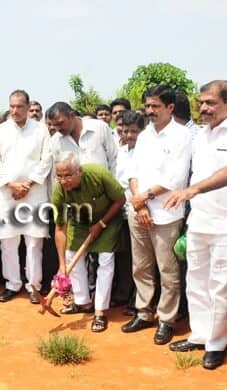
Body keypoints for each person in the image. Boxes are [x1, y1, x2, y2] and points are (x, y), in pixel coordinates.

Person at [164, 80, 227, 370]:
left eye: (210, 103)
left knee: (222, 286)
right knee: (196, 282)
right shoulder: (201, 135)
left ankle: (216, 345)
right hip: (200, 221)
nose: (202, 108)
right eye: (201, 102)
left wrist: (194, 191)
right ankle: (201, 334)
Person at [122, 85, 191, 346]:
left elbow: (175, 177)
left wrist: (145, 197)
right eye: (148, 106)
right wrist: (139, 204)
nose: (149, 111)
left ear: (170, 108)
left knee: (168, 269)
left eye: (155, 107)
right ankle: (143, 312)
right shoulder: (145, 135)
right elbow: (133, 171)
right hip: (139, 211)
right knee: (140, 266)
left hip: (166, 213)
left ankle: (166, 320)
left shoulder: (182, 136)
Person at [0, 89, 52, 304]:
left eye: (19, 106)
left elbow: (47, 160)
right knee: (8, 242)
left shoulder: (41, 130)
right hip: (7, 194)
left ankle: (34, 286)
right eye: (12, 106)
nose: (15, 110)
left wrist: (27, 184)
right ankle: (12, 284)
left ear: (27, 107)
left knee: (34, 243)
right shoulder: (0, 131)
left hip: (34, 193)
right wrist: (11, 184)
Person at [52, 152, 125, 332]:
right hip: (81, 220)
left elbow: (120, 199)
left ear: (80, 171)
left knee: (105, 259)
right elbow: (60, 228)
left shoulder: (98, 174)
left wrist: (101, 224)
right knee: (71, 257)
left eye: (68, 175)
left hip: (108, 218)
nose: (63, 181)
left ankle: (100, 310)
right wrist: (62, 265)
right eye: (59, 176)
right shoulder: (59, 191)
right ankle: (82, 302)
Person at [112, 111, 145, 315]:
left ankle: (138, 301)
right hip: (121, 211)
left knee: (141, 261)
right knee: (124, 257)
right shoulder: (121, 151)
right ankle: (124, 295)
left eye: (134, 131)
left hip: (141, 210)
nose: (129, 135)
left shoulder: (147, 151)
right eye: (125, 130)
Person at [47, 101, 117, 173]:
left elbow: (114, 159)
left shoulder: (99, 127)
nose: (58, 129)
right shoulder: (55, 141)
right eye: (55, 125)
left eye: (60, 123)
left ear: (72, 115)